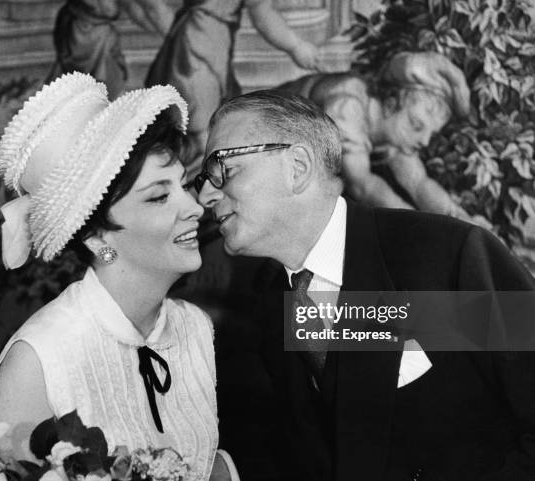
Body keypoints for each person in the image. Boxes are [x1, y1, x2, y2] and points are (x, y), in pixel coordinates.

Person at [195, 89, 535, 480]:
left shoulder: (445, 256)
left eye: (224, 167)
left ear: (298, 167)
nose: (206, 194)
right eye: (205, 177)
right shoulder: (272, 307)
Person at [0, 73, 237, 480]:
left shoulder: (194, 328)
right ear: (97, 237)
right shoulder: (37, 361)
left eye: (183, 186)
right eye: (158, 196)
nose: (193, 207)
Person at [279, 52, 487, 226]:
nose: (424, 141)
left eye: (430, 134)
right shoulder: (348, 104)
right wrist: (420, 226)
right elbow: (362, 184)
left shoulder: (393, 134)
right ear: (390, 104)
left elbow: (418, 183)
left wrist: (463, 220)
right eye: (416, 125)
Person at [145, 0, 321, 177]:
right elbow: (262, 15)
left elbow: (262, 11)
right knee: (201, 136)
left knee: (210, 134)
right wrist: (296, 46)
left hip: (210, 44)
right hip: (196, 47)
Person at [48, 0, 174, 99]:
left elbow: (142, 10)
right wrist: (173, 35)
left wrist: (170, 34)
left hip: (86, 32)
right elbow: (147, 9)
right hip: (88, 35)